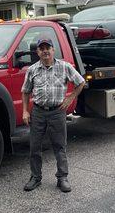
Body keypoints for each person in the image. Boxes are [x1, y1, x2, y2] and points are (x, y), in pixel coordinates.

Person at [21, 38, 85, 192]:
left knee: (59, 146)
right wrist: (25, 110)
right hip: (38, 112)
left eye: (47, 48)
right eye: (41, 48)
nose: (45, 51)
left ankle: (62, 178)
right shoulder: (32, 70)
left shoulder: (64, 67)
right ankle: (35, 177)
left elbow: (81, 82)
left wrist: (70, 98)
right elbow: (25, 91)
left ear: (53, 50)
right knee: (35, 147)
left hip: (57, 112)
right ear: (37, 52)